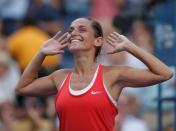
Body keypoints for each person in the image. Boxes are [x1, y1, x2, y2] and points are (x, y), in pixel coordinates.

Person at [15, 17, 173, 131]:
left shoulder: (113, 75)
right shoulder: (60, 76)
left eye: (81, 29)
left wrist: (130, 47)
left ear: (97, 41)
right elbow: (23, 88)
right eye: (71, 30)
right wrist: (41, 53)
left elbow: (164, 74)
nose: (73, 33)